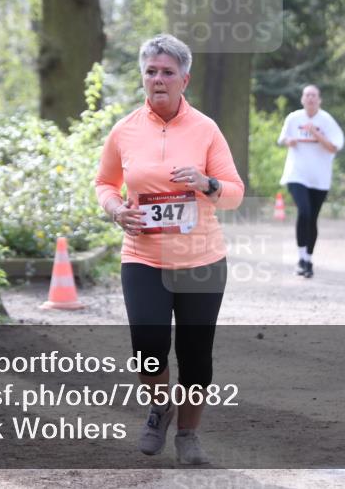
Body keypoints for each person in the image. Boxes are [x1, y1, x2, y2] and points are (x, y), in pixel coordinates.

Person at [95, 34, 244, 464]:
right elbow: (104, 183)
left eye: (167, 72)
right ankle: (160, 405)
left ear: (185, 80)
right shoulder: (125, 130)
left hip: (201, 261)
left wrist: (206, 183)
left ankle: (189, 435)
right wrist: (114, 210)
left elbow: (234, 193)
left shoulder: (205, 130)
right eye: (151, 72)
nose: (158, 79)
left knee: (196, 357)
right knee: (148, 344)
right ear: (143, 78)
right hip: (143, 256)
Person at [277, 85, 344, 278]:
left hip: (320, 178)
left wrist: (316, 133)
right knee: (304, 211)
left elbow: (333, 147)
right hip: (296, 175)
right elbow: (282, 138)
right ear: (302, 99)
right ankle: (300, 258)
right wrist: (288, 141)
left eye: (314, 96)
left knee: (312, 218)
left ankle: (308, 259)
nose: (311, 99)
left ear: (319, 100)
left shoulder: (327, 121)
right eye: (307, 95)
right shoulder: (293, 118)